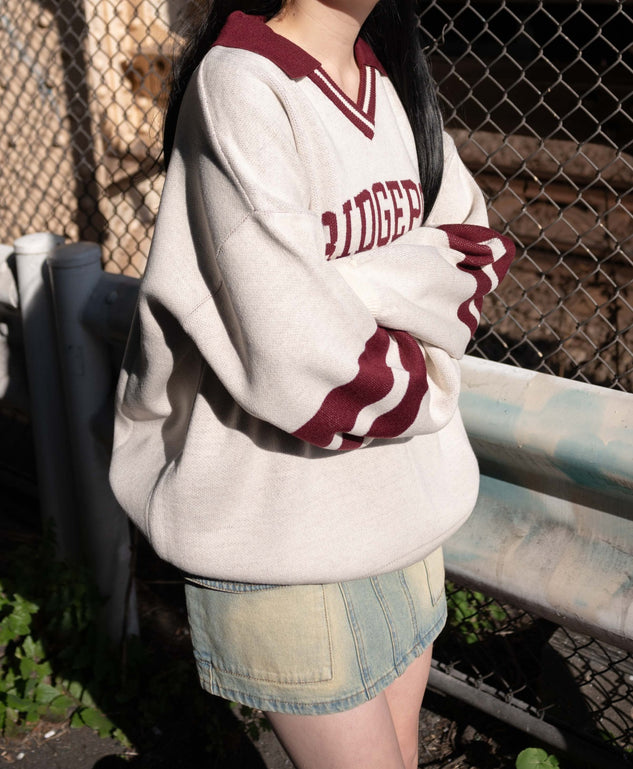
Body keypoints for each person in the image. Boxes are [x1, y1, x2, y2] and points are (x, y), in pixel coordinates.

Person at [109, 0, 514, 766]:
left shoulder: (392, 84)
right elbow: (300, 360)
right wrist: (414, 320)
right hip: (283, 535)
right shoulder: (239, 83)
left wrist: (335, 289)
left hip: (403, 511)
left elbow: (475, 252)